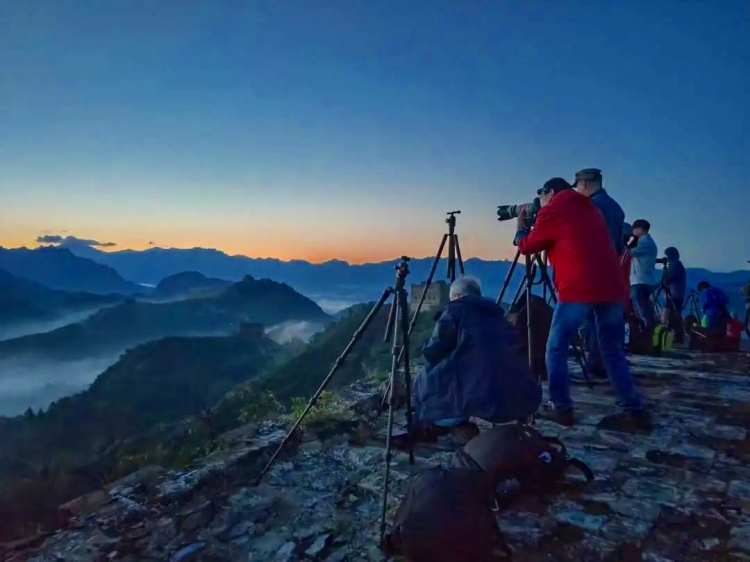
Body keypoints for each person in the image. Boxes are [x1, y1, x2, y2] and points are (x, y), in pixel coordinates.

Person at [514, 177, 649, 428]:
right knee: (612, 349)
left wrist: (522, 226)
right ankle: (634, 410)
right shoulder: (590, 207)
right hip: (611, 285)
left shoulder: (554, 208)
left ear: (550, 192)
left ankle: (561, 407)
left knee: (555, 347)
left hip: (579, 286)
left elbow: (527, 246)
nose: (539, 202)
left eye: (541, 195)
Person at [411, 276, 542, 438]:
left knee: (425, 376)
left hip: (485, 398)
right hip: (522, 399)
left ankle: (446, 422)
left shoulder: (455, 309)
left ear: (458, 296)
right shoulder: (499, 316)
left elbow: (433, 351)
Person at [573, 168, 626, 378]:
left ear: (584, 184)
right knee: (605, 324)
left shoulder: (590, 206)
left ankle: (594, 365)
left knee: (590, 321)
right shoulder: (617, 208)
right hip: (611, 272)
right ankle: (607, 366)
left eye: (577, 186)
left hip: (590, 271)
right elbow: (620, 246)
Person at [629, 219, 659, 333]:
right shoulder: (646, 242)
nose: (633, 232)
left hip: (641, 281)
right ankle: (646, 334)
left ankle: (647, 335)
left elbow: (628, 251)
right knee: (642, 309)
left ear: (641, 229)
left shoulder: (644, 242)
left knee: (642, 311)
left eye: (634, 229)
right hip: (642, 280)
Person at [662, 247, 686, 343]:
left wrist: (665, 271)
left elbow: (667, 280)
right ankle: (677, 338)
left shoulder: (674, 266)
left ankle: (675, 338)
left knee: (671, 317)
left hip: (673, 296)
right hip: (677, 295)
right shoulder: (678, 265)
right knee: (675, 316)